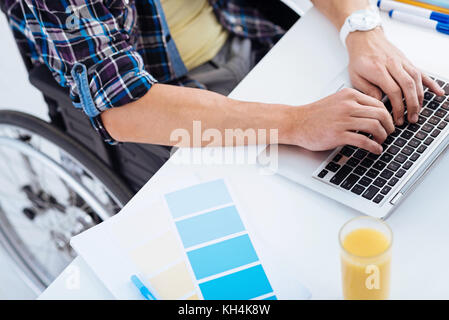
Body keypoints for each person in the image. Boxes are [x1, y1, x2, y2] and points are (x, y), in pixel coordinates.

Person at [2, 0, 445, 156]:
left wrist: (359, 28)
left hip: (253, 37)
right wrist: (296, 124)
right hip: (177, 111)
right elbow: (125, 107)